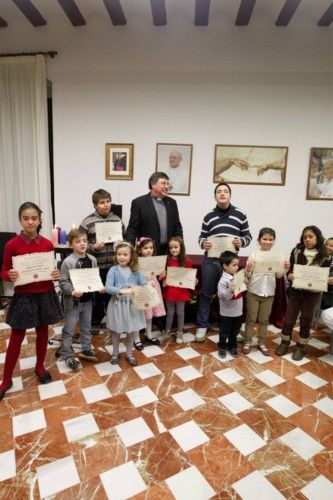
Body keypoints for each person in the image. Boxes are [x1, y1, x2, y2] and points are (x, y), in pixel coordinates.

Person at [0, 202, 62, 400]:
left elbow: (52, 271)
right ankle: (6, 379)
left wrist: (55, 273)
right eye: (26, 218)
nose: (30, 221)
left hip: (44, 293)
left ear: (40, 220)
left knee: (42, 331)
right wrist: (8, 274)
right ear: (20, 220)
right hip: (24, 296)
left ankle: (40, 367)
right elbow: (3, 271)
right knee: (17, 336)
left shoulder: (47, 244)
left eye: (34, 218)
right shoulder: (12, 245)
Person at [195, 182, 252, 342]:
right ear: (215, 196)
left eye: (225, 191)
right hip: (211, 261)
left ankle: (229, 326)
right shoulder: (208, 216)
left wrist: (241, 242)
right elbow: (201, 237)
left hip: (230, 263)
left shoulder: (240, 214)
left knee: (232, 292)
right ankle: (202, 326)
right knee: (206, 294)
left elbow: (248, 236)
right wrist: (203, 243)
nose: (222, 193)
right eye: (219, 191)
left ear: (229, 195)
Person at [275, 226, 331, 361]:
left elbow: (328, 273)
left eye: (311, 237)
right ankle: (284, 343)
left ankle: (301, 347)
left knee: (306, 319)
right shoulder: (297, 251)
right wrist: (289, 275)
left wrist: (329, 279)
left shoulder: (326, 256)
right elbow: (290, 270)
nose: (307, 239)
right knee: (289, 319)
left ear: (318, 237)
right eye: (305, 237)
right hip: (296, 291)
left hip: (312, 294)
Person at [79, 189, 124, 335]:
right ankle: (95, 322)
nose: (106, 205)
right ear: (95, 205)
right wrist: (93, 247)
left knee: (112, 295)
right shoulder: (87, 222)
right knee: (97, 296)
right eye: (102, 202)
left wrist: (120, 243)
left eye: (108, 201)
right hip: (96, 266)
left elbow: (123, 240)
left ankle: (114, 321)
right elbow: (80, 244)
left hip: (114, 266)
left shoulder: (117, 220)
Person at [59, 229, 105, 370]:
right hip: (73, 303)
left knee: (86, 327)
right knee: (69, 330)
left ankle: (86, 348)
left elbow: (94, 278)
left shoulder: (92, 259)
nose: (82, 244)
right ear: (71, 244)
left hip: (88, 301)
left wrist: (100, 286)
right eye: (78, 241)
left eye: (84, 241)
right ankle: (66, 353)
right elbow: (63, 282)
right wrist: (72, 291)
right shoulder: (68, 262)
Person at [243, 228, 289, 356]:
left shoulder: (277, 256)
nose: (267, 242)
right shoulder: (254, 254)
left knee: (264, 320)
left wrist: (285, 268)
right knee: (251, 318)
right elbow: (247, 274)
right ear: (259, 240)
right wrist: (247, 268)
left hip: (269, 293)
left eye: (270, 239)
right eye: (265, 239)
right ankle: (247, 341)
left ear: (273, 241)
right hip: (253, 291)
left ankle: (261, 342)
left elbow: (279, 275)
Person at [105, 241, 146, 366]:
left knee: (131, 331)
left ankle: (129, 353)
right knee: (116, 331)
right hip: (117, 305)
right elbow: (108, 287)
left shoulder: (136, 270)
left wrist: (146, 286)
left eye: (125, 255)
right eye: (119, 254)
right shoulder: (113, 270)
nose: (121, 257)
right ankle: (115, 353)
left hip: (132, 306)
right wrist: (121, 290)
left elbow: (143, 283)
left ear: (131, 256)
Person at [125, 172, 183, 255]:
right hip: (147, 252)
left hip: (168, 251)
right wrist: (128, 248)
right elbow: (132, 228)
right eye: (163, 183)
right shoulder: (139, 203)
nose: (167, 186)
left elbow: (177, 226)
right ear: (153, 184)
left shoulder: (172, 203)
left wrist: (180, 245)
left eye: (167, 183)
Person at [134, 237, 166, 349]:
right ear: (139, 250)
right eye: (145, 248)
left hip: (153, 288)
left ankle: (149, 334)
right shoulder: (137, 262)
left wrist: (162, 275)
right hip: (142, 290)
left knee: (149, 315)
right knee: (139, 315)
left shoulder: (154, 260)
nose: (149, 250)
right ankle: (136, 338)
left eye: (151, 248)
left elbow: (157, 275)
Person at [162, 236, 194, 344]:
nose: (173, 250)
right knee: (170, 312)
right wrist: (164, 281)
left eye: (175, 247)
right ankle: (167, 331)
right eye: (171, 248)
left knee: (180, 312)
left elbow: (189, 276)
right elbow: (164, 274)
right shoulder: (167, 260)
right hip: (170, 291)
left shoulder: (187, 261)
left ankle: (180, 332)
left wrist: (194, 280)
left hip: (181, 292)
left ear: (181, 247)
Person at [217, 251, 244, 358]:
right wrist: (230, 290)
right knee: (224, 332)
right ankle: (222, 347)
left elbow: (241, 290)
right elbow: (222, 297)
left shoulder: (237, 276)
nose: (237, 267)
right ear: (225, 266)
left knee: (235, 331)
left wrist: (244, 282)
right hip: (227, 313)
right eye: (234, 265)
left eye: (237, 264)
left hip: (237, 312)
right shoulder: (223, 281)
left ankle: (233, 346)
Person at [320, 237, 333, 310]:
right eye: (326, 244)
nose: (327, 247)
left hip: (329, 292)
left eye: (331, 246)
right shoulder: (319, 258)